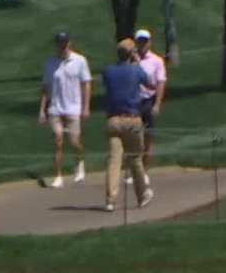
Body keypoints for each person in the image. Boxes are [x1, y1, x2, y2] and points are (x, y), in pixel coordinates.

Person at [100, 39, 152, 213]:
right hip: (132, 119)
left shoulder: (108, 71)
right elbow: (150, 83)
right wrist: (137, 63)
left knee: (114, 160)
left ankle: (110, 200)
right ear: (132, 54)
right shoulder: (136, 70)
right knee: (135, 158)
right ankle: (142, 194)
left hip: (113, 120)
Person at [39, 31, 92, 189]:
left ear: (69, 43)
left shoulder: (79, 61)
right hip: (55, 108)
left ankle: (79, 162)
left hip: (73, 107)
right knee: (58, 140)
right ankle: (58, 176)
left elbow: (86, 83)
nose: (62, 46)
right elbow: (46, 88)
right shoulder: (50, 63)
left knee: (75, 142)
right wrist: (42, 110)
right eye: (59, 43)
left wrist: (86, 106)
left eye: (64, 43)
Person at [133, 29, 167, 179]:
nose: (142, 45)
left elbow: (160, 83)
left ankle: (144, 170)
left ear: (150, 42)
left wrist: (157, 104)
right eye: (140, 41)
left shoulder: (156, 61)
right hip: (133, 102)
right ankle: (134, 169)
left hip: (148, 100)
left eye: (145, 41)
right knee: (134, 137)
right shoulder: (130, 60)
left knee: (148, 137)